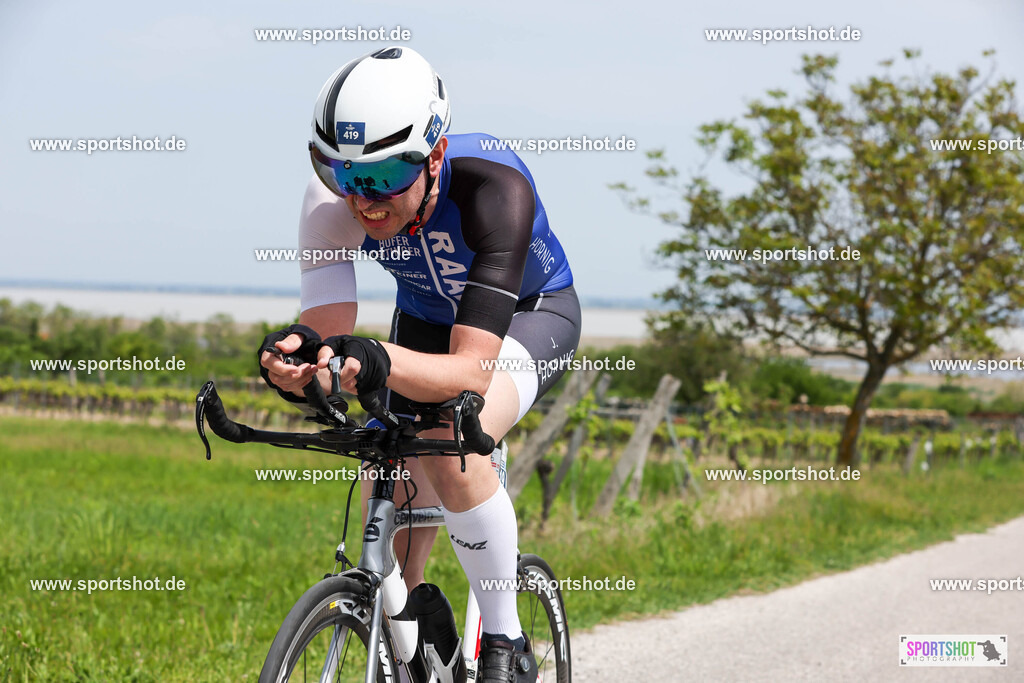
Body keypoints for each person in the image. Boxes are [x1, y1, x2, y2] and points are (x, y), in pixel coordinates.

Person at [258, 45, 580, 682]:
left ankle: (508, 646)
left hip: (527, 315)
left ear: (434, 156)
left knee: (449, 434)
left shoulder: (495, 188)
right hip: (427, 320)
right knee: (389, 448)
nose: (361, 200)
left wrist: (374, 358)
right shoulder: (330, 202)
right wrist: (302, 367)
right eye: (341, 174)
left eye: (382, 178)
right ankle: (414, 625)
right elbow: (326, 330)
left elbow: (468, 372)